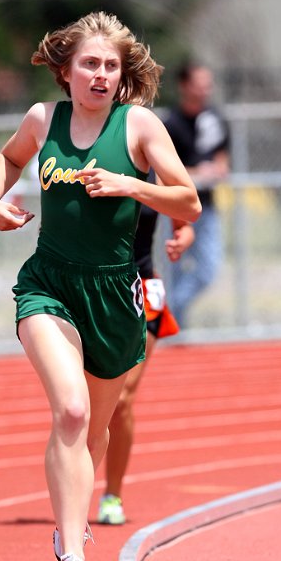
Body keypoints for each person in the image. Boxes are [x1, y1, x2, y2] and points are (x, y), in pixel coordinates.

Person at [0, 11, 201, 561]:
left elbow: (189, 201)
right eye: (90, 64)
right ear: (66, 70)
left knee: (96, 427)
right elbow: (9, 160)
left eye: (110, 66)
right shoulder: (42, 119)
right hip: (49, 284)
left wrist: (132, 185)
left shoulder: (140, 126)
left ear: (121, 74)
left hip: (116, 295)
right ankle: (71, 558)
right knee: (72, 413)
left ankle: (77, 516)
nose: (101, 75)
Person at [97, 194, 195, 525]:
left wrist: (181, 239)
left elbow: (185, 221)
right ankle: (74, 487)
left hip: (142, 289)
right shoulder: (90, 162)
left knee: (123, 398)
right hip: (93, 289)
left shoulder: (157, 163)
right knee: (85, 401)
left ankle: (112, 495)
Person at [164, 62, 230, 328]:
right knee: (173, 270)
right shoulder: (170, 123)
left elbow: (223, 158)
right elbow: (166, 169)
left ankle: (171, 313)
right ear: (184, 86)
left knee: (208, 270)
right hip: (176, 210)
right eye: (198, 83)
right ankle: (174, 331)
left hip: (207, 207)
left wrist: (216, 170)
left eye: (208, 84)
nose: (204, 90)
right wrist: (195, 173)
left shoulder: (215, 119)